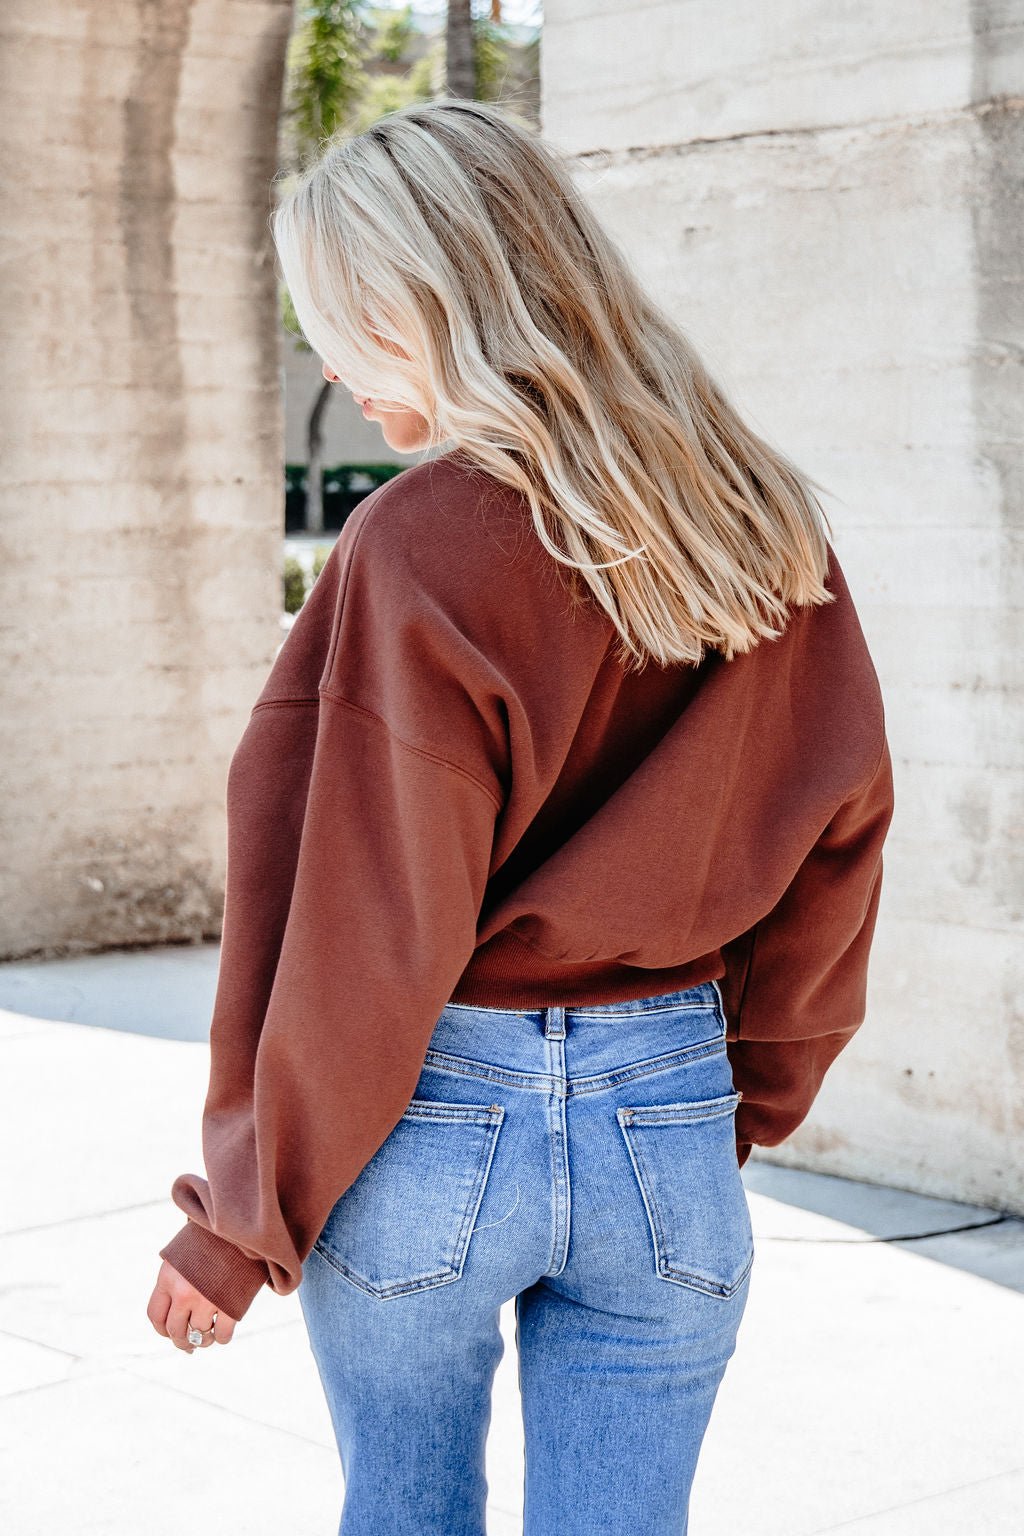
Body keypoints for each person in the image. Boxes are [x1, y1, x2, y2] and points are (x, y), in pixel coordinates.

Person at [147, 98, 895, 1534]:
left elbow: (364, 925)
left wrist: (243, 1215)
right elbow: (842, 831)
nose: (333, 363)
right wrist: (742, 1092)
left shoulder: (416, 543)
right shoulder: (758, 518)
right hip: (668, 1110)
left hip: (431, 1121)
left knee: (406, 1511)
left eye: (353, 321)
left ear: (440, 304)